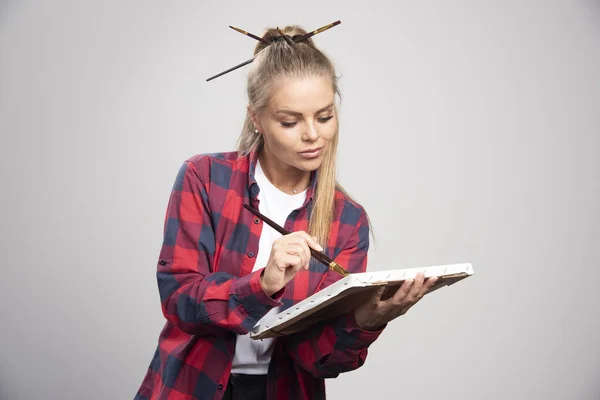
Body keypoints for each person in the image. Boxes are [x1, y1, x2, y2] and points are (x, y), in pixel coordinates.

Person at [134, 23, 438, 400]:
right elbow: (179, 300)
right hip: (191, 388)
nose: (313, 135)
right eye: (290, 121)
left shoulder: (347, 220)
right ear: (257, 119)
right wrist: (262, 286)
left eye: (324, 116)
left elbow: (314, 358)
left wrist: (367, 320)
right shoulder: (205, 178)